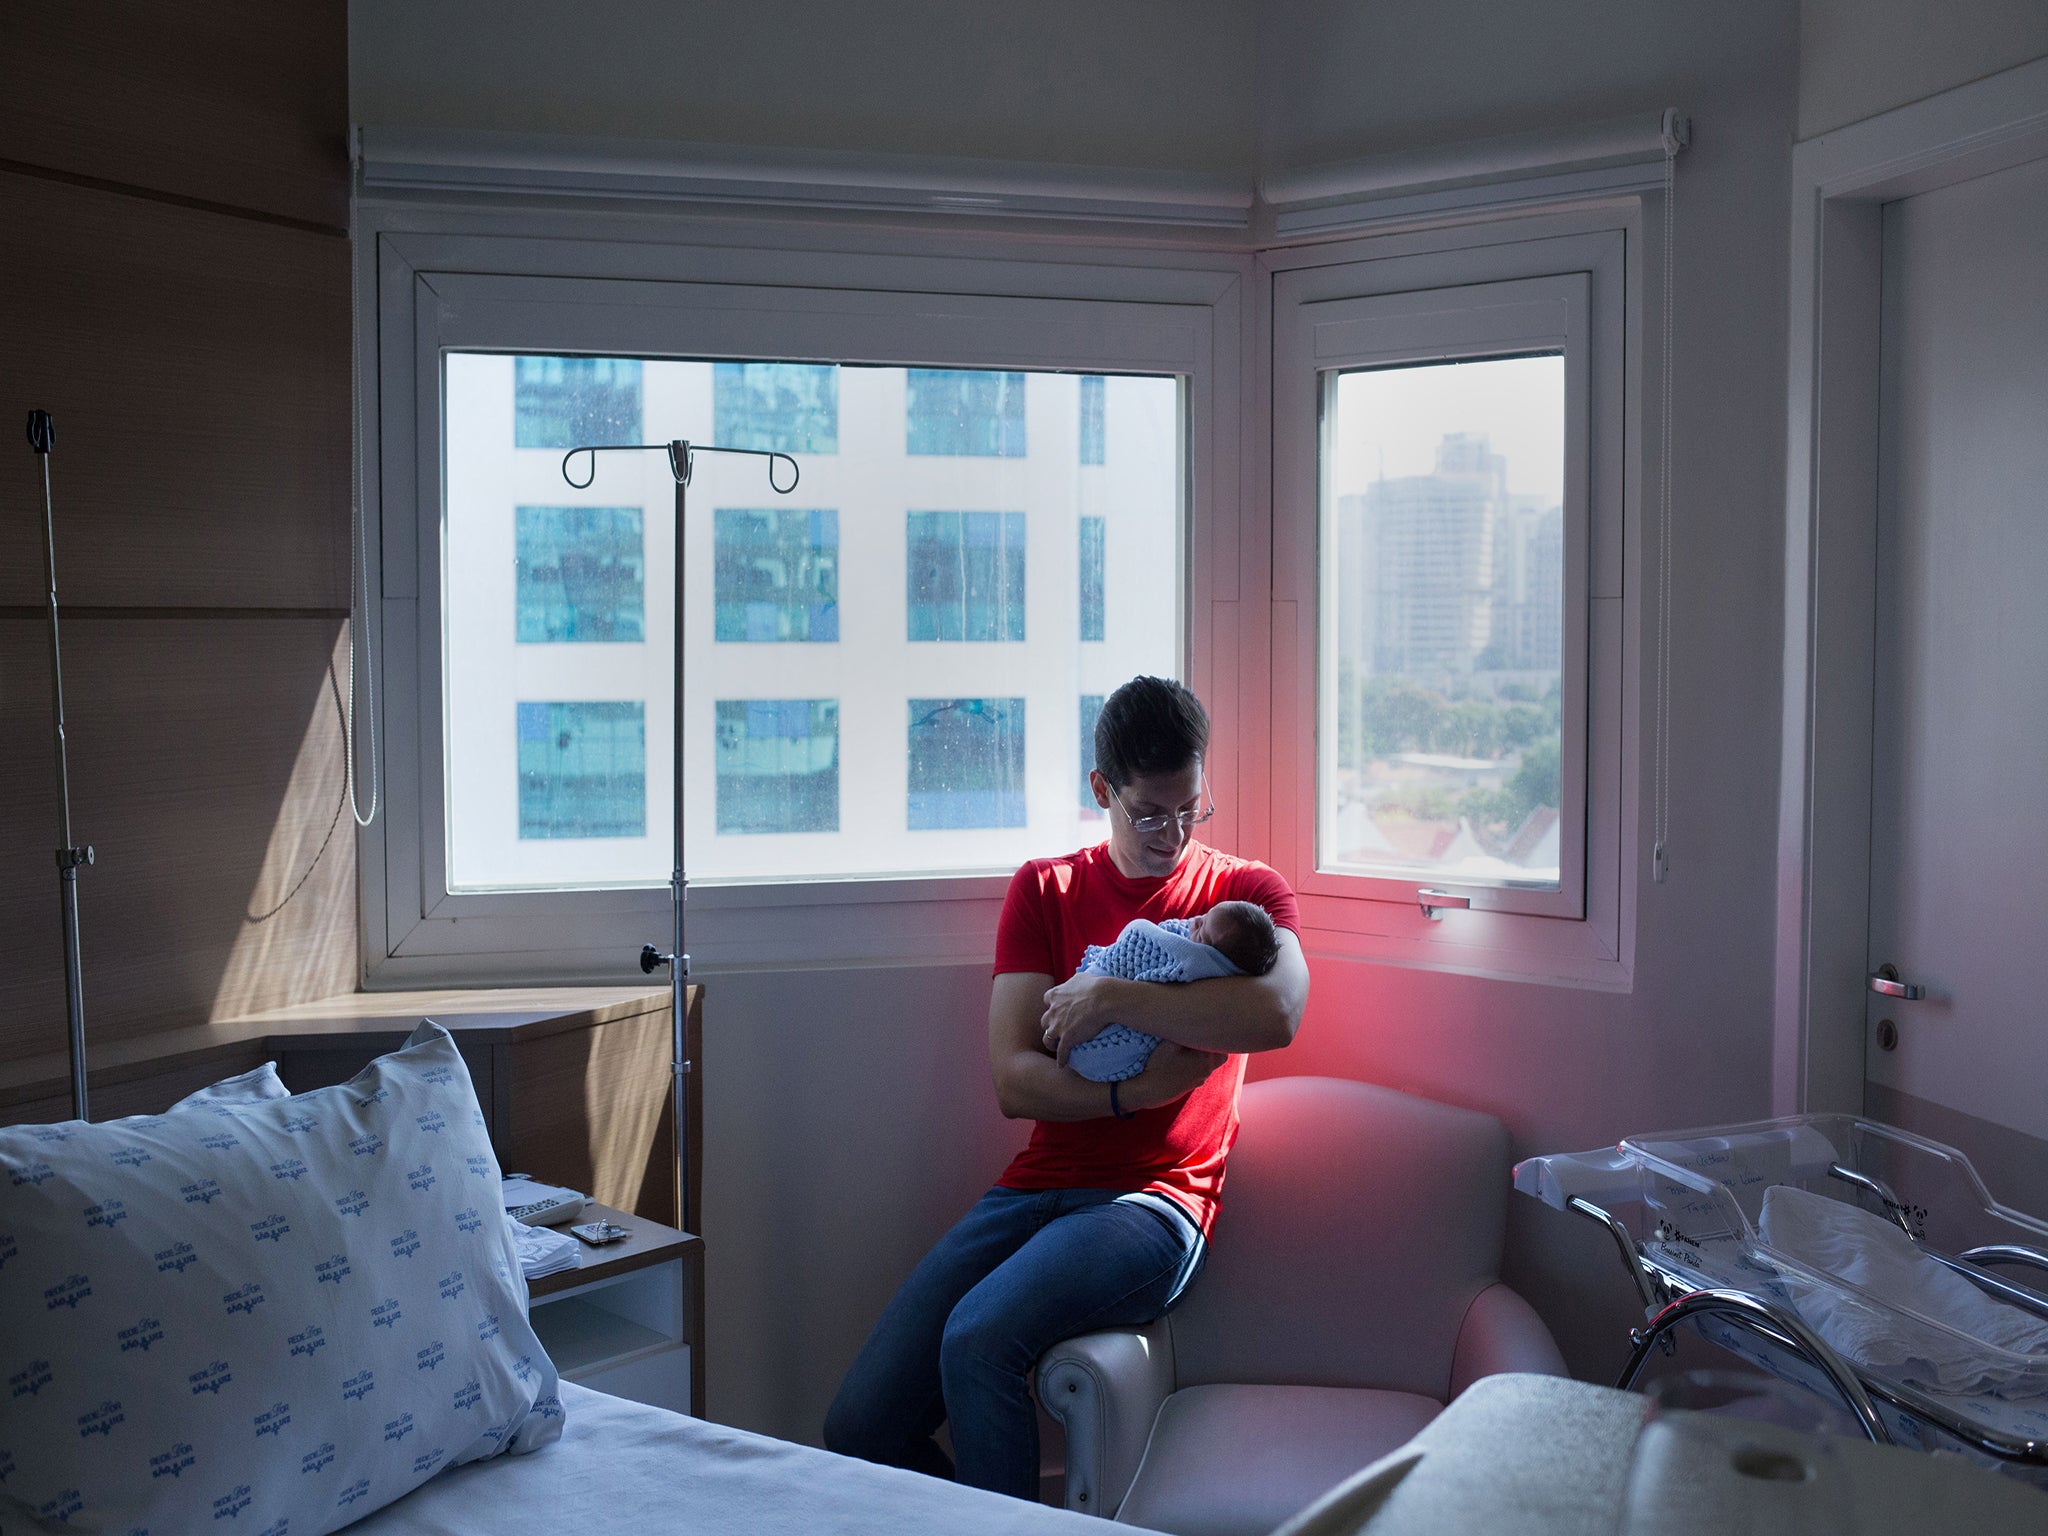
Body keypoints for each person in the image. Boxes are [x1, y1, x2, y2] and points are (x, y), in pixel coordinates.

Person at [823, 676, 1309, 1500]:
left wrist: (1111, 997)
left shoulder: (1245, 895)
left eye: (1191, 809)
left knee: (978, 1339)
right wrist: (1133, 1093)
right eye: (1150, 813)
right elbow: (1016, 1081)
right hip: (1034, 1191)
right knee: (859, 1426)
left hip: (1155, 1204)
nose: (1173, 834)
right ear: (1102, 791)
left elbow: (1278, 1012)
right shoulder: (1044, 889)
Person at [1064, 899, 1283, 1083]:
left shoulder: (1201, 966)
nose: (1195, 922)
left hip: (1109, 1054)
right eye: (1204, 917)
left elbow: (1140, 936)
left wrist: (1108, 996)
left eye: (1203, 935)